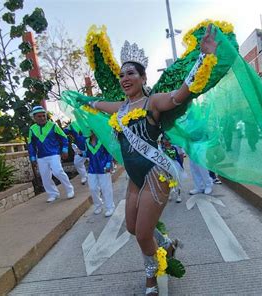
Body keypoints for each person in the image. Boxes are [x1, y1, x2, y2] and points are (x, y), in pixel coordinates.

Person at [78, 24, 218, 296]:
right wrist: (81, 99)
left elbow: (179, 95)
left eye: (130, 73)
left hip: (156, 174)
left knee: (142, 234)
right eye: (121, 75)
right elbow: (96, 104)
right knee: (132, 227)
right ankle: (166, 243)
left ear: (143, 77)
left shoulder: (152, 102)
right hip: (134, 179)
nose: (124, 78)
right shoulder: (121, 108)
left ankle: (151, 279)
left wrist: (203, 58)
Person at [27, 106, 74, 203]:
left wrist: (64, 150)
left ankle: (69, 189)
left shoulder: (53, 125)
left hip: (54, 153)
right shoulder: (32, 129)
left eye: (44, 115)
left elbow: (64, 138)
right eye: (39, 116)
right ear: (34, 118)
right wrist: (32, 157)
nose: (42, 118)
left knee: (58, 171)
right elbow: (31, 144)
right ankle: (53, 194)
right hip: (41, 156)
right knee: (45, 176)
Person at [84, 131, 115, 217]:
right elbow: (87, 154)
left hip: (103, 168)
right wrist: (80, 152)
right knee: (92, 188)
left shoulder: (102, 139)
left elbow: (109, 152)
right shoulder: (86, 141)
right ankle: (98, 205)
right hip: (92, 168)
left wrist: (109, 164)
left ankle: (110, 207)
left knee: (106, 188)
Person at [160, 135, 183, 203]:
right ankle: (169, 194)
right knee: (168, 180)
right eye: (165, 140)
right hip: (166, 167)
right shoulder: (161, 149)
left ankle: (178, 195)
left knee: (177, 180)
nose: (167, 141)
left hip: (176, 166)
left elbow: (180, 156)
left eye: (168, 140)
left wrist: (181, 166)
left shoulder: (175, 147)